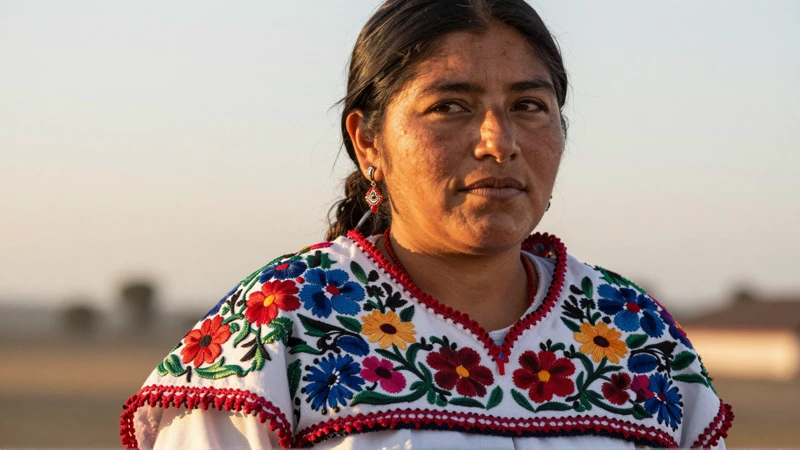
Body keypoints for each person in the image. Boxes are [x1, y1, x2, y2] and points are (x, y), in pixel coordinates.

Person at [120, 0, 733, 448]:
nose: (499, 142)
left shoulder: (635, 334)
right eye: (449, 107)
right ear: (368, 142)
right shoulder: (283, 322)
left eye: (528, 106)